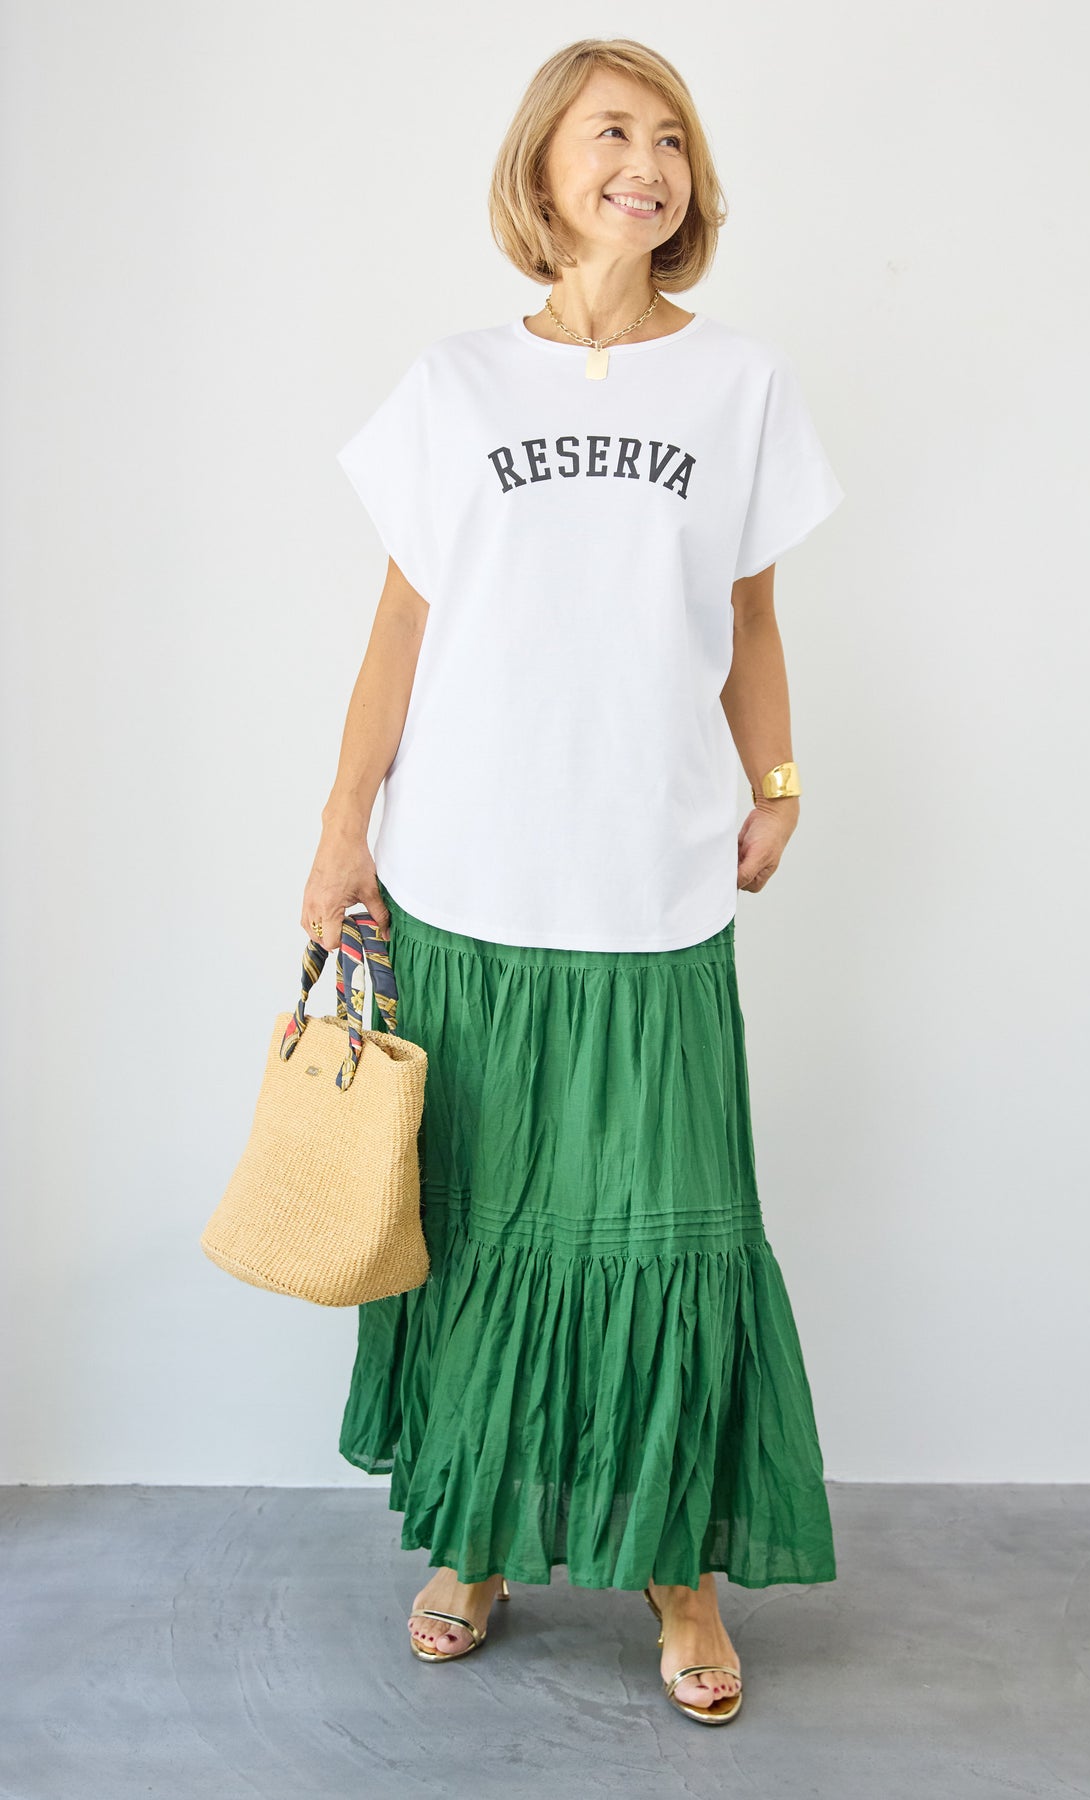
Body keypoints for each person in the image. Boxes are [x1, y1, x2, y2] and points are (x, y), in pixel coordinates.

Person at [304, 36, 845, 1726]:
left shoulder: (740, 383)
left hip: (652, 886)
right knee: (475, 1229)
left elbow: (752, 619)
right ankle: (474, 1540)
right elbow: (403, 621)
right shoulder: (454, 384)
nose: (648, 164)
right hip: (463, 880)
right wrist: (339, 828)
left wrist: (778, 783)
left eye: (671, 138)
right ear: (544, 164)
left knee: (668, 1233)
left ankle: (679, 1573)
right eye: (613, 131)